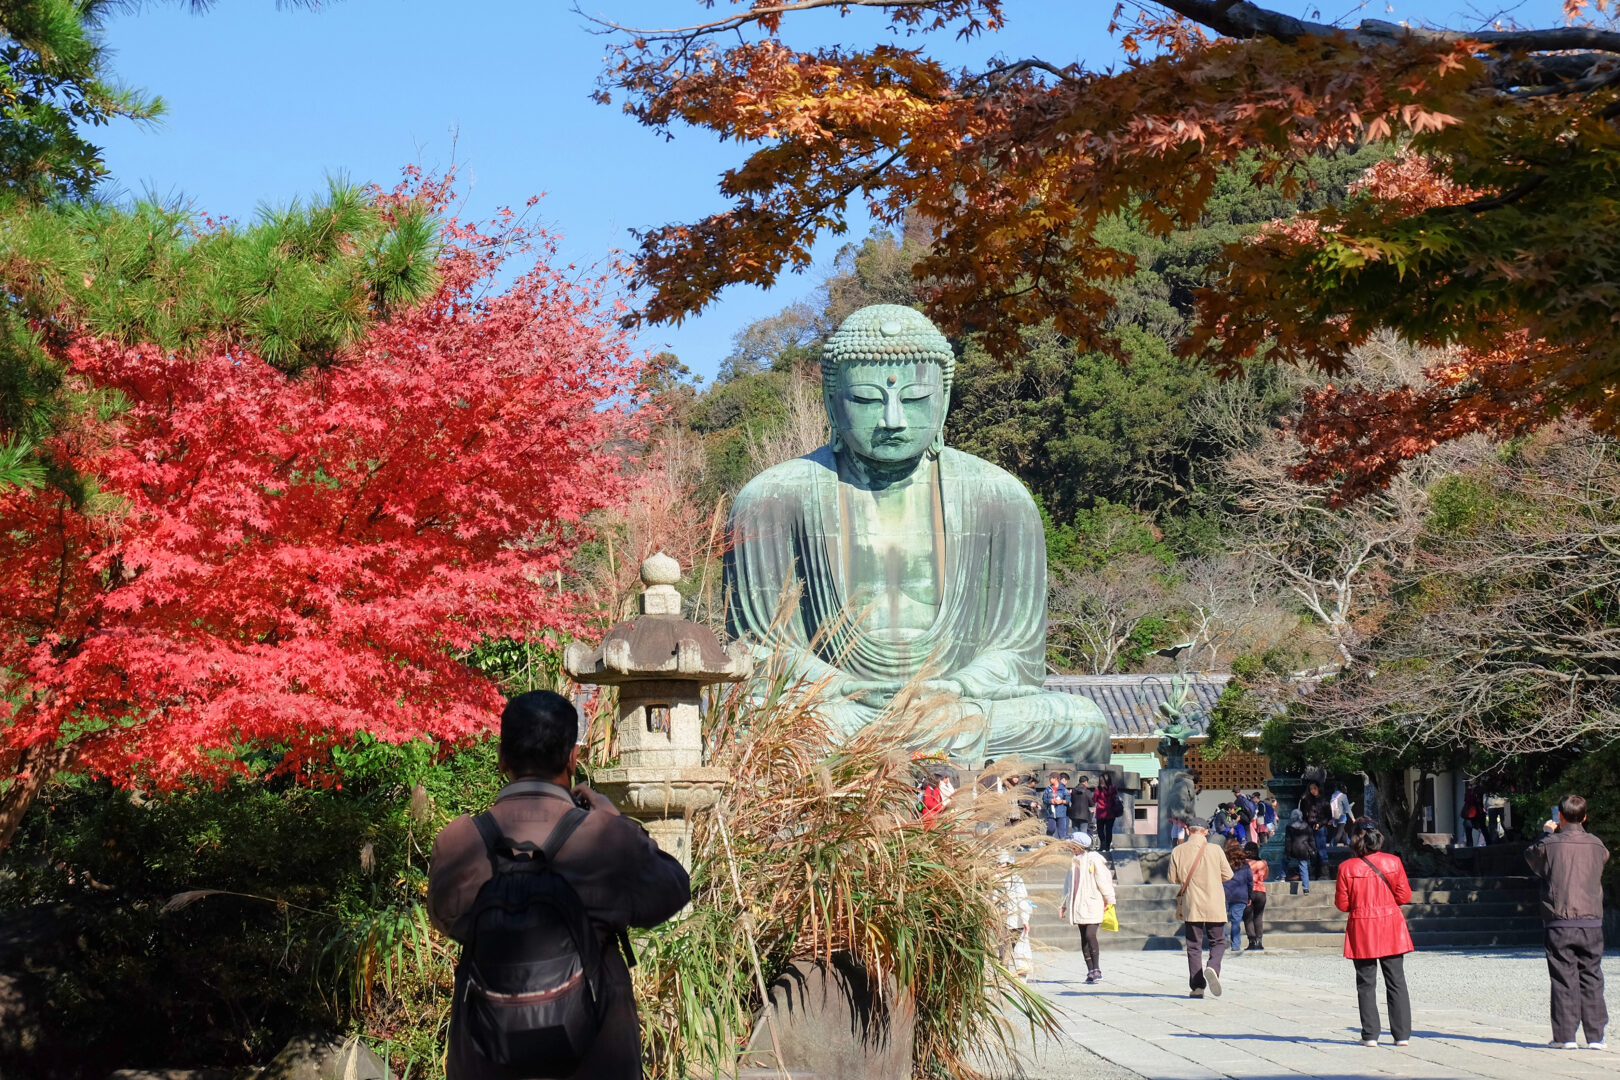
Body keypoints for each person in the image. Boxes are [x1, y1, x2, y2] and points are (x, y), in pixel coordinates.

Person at [428, 690, 692, 1080]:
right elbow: (673, 889)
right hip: (596, 1060)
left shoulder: (458, 841)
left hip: (483, 1061)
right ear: (572, 757)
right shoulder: (605, 838)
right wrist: (616, 820)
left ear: (502, 758)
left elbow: (444, 919)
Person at [1525, 794, 1610, 1050]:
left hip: (1559, 918)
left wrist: (1547, 834)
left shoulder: (1550, 844)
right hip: (1591, 918)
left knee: (1563, 977)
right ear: (1584, 817)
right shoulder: (1597, 845)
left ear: (1559, 817)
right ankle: (1595, 1036)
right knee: (1592, 976)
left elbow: (1532, 858)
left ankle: (1565, 1036)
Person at [1335, 826, 1414, 1048]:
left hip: (1362, 926)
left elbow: (1342, 904)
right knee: (1396, 980)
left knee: (1366, 982)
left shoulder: (1346, 867)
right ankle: (1402, 1035)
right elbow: (1404, 895)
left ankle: (1370, 1034)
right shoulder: (1393, 862)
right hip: (1390, 924)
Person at [1168, 824, 1233, 998]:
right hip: (1214, 902)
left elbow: (1172, 878)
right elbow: (1228, 875)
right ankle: (1213, 967)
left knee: (1193, 945)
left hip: (1192, 903)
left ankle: (1197, 987)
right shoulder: (1216, 850)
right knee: (1218, 941)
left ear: (1188, 831)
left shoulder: (1178, 851)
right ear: (1206, 832)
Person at [1059, 831, 1117, 984]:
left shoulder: (1094, 859)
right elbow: (1067, 884)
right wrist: (1063, 904)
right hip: (1077, 903)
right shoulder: (1073, 861)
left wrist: (1109, 899)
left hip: (1092, 902)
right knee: (1083, 937)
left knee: (1091, 934)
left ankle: (1097, 968)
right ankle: (1090, 970)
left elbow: (1104, 880)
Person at [995, 852, 1035, 981]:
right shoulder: (994, 879)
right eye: (998, 863)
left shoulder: (1016, 879)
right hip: (1000, 917)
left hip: (1014, 918)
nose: (999, 866)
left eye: (1002, 863)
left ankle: (1020, 970)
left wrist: (1025, 919)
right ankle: (1003, 970)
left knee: (1014, 945)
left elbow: (1022, 899)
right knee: (1002, 945)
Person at [1223, 839, 1254, 954]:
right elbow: (1250, 881)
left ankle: (1223, 942)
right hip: (1241, 894)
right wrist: (1249, 896)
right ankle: (1235, 945)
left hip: (1224, 893)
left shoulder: (1223, 862)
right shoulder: (1245, 865)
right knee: (1236, 921)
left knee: (1222, 919)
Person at [1243, 840, 1269, 950]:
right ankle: (1259, 940)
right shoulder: (1263, 863)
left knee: (1248, 918)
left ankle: (1252, 941)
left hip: (1248, 891)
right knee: (1258, 917)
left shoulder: (1244, 863)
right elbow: (1266, 875)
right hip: (1261, 891)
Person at [1300, 781, 1331, 876]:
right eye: (1311, 789)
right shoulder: (1306, 800)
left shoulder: (1324, 801)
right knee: (1312, 849)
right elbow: (1303, 814)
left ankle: (1325, 872)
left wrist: (1320, 823)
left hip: (1320, 827)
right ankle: (1314, 870)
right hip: (1309, 827)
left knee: (1322, 849)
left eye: (1314, 788)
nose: (1313, 791)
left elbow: (1329, 816)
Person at [1285, 808, 1315, 892]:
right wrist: (1313, 849)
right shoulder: (1306, 826)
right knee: (1303, 867)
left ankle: (1282, 876)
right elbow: (1311, 839)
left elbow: (1288, 840)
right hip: (1303, 849)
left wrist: (1287, 851)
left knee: (1284, 861)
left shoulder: (1289, 826)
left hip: (1293, 848)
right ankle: (1306, 888)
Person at [1041, 772, 1071, 840]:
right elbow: (1044, 799)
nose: (1049, 779)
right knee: (1050, 829)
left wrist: (1061, 801)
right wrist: (1050, 801)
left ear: (1056, 779)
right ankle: (1048, 843)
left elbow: (1068, 800)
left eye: (1051, 778)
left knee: (1062, 832)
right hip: (1051, 813)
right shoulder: (1048, 789)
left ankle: (1062, 846)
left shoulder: (1064, 789)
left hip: (1061, 813)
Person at [1095, 774, 1121, 852]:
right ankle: (1107, 846)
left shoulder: (1098, 789)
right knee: (1109, 830)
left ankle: (1102, 844)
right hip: (1111, 812)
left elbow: (1094, 799)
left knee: (1100, 829)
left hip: (1100, 812)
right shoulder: (1113, 788)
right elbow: (1115, 797)